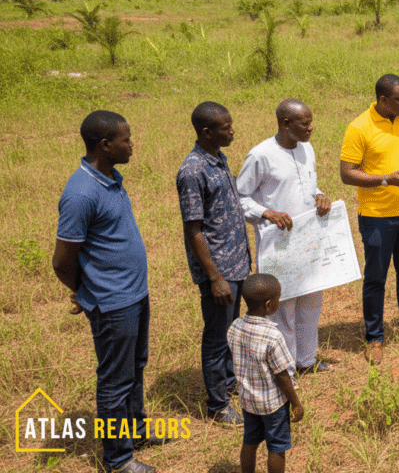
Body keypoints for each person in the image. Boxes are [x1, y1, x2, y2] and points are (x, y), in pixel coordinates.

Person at [53, 111, 159, 473]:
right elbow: (62, 260)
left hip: (135, 294)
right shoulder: (80, 194)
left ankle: (136, 432)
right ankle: (118, 459)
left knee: (136, 367)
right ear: (104, 145)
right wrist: (84, 291)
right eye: (126, 140)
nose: (132, 145)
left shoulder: (110, 177)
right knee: (115, 380)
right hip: (112, 302)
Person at [340, 74, 399, 364]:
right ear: (383, 101)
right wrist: (385, 180)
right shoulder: (359, 127)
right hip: (377, 217)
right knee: (376, 279)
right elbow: (347, 172)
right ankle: (375, 337)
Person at [237, 99, 332, 373]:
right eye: (305, 123)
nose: (311, 128)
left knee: (311, 302)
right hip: (278, 244)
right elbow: (240, 196)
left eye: (311, 122)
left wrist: (320, 196)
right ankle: (286, 368)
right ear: (285, 124)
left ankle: (306, 360)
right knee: (282, 308)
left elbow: (307, 187)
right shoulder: (260, 155)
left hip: (307, 240)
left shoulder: (307, 149)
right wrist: (267, 213)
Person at [176, 102, 251, 425]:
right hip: (219, 268)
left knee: (231, 331)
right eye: (226, 126)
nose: (232, 130)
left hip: (236, 262)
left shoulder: (218, 158)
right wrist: (214, 277)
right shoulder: (192, 171)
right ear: (207, 132)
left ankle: (230, 382)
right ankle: (217, 405)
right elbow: (193, 230)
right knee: (217, 336)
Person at [228, 274, 304, 473]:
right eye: (278, 298)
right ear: (269, 305)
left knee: (250, 442)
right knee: (277, 447)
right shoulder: (273, 337)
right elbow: (282, 375)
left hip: (248, 400)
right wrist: (295, 403)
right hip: (273, 405)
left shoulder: (235, 327)